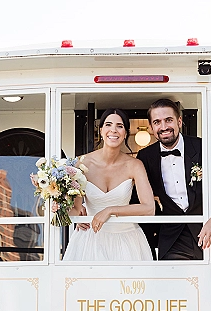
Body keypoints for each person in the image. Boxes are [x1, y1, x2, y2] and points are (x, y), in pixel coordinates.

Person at [135, 98, 211, 260]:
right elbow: (135, 197)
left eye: (168, 120)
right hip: (173, 239)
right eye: (157, 122)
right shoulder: (145, 157)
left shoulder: (205, 149)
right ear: (151, 127)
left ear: (179, 121)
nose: (163, 127)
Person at [63, 109, 155, 261]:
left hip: (127, 240)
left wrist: (110, 210)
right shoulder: (81, 163)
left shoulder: (135, 165)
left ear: (125, 133)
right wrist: (60, 207)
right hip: (90, 239)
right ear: (101, 130)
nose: (113, 130)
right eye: (108, 124)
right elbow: (76, 209)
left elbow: (149, 208)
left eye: (119, 126)